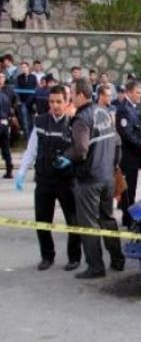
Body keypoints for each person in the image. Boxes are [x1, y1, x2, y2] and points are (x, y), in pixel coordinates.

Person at [57, 78, 125, 279]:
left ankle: (95, 266)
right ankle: (118, 259)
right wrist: (113, 166)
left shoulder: (81, 119)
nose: (69, 96)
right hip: (107, 177)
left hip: (89, 180)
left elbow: (81, 149)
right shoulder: (103, 111)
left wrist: (66, 158)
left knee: (88, 225)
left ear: (80, 95)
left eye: (71, 93)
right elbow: (117, 142)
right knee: (108, 220)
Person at [15, 84, 81, 271]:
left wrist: (70, 162)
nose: (55, 105)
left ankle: (74, 258)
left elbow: (81, 151)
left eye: (59, 101)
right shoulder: (40, 122)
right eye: (52, 102)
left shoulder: (74, 123)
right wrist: (21, 173)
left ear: (67, 102)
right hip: (44, 180)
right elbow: (30, 151)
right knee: (42, 221)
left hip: (66, 181)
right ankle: (47, 256)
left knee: (73, 222)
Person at [115, 81, 141, 227]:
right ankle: (127, 219)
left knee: (132, 188)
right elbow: (126, 133)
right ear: (128, 92)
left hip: (135, 156)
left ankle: (129, 217)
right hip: (128, 157)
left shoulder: (134, 107)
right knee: (128, 190)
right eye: (137, 93)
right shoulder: (124, 109)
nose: (140, 96)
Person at [16, 61, 37, 137]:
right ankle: (28, 137)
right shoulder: (19, 78)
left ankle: (33, 136)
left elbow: (35, 89)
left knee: (33, 120)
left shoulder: (33, 77)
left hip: (32, 102)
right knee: (25, 120)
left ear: (28, 67)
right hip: (23, 102)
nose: (23, 69)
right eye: (22, 67)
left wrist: (35, 101)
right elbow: (17, 90)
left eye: (24, 67)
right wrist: (19, 101)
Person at [0, 73, 14, 178]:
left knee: (5, 147)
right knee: (6, 148)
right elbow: (10, 110)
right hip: (5, 123)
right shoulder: (5, 95)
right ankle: (9, 170)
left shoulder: (4, 94)